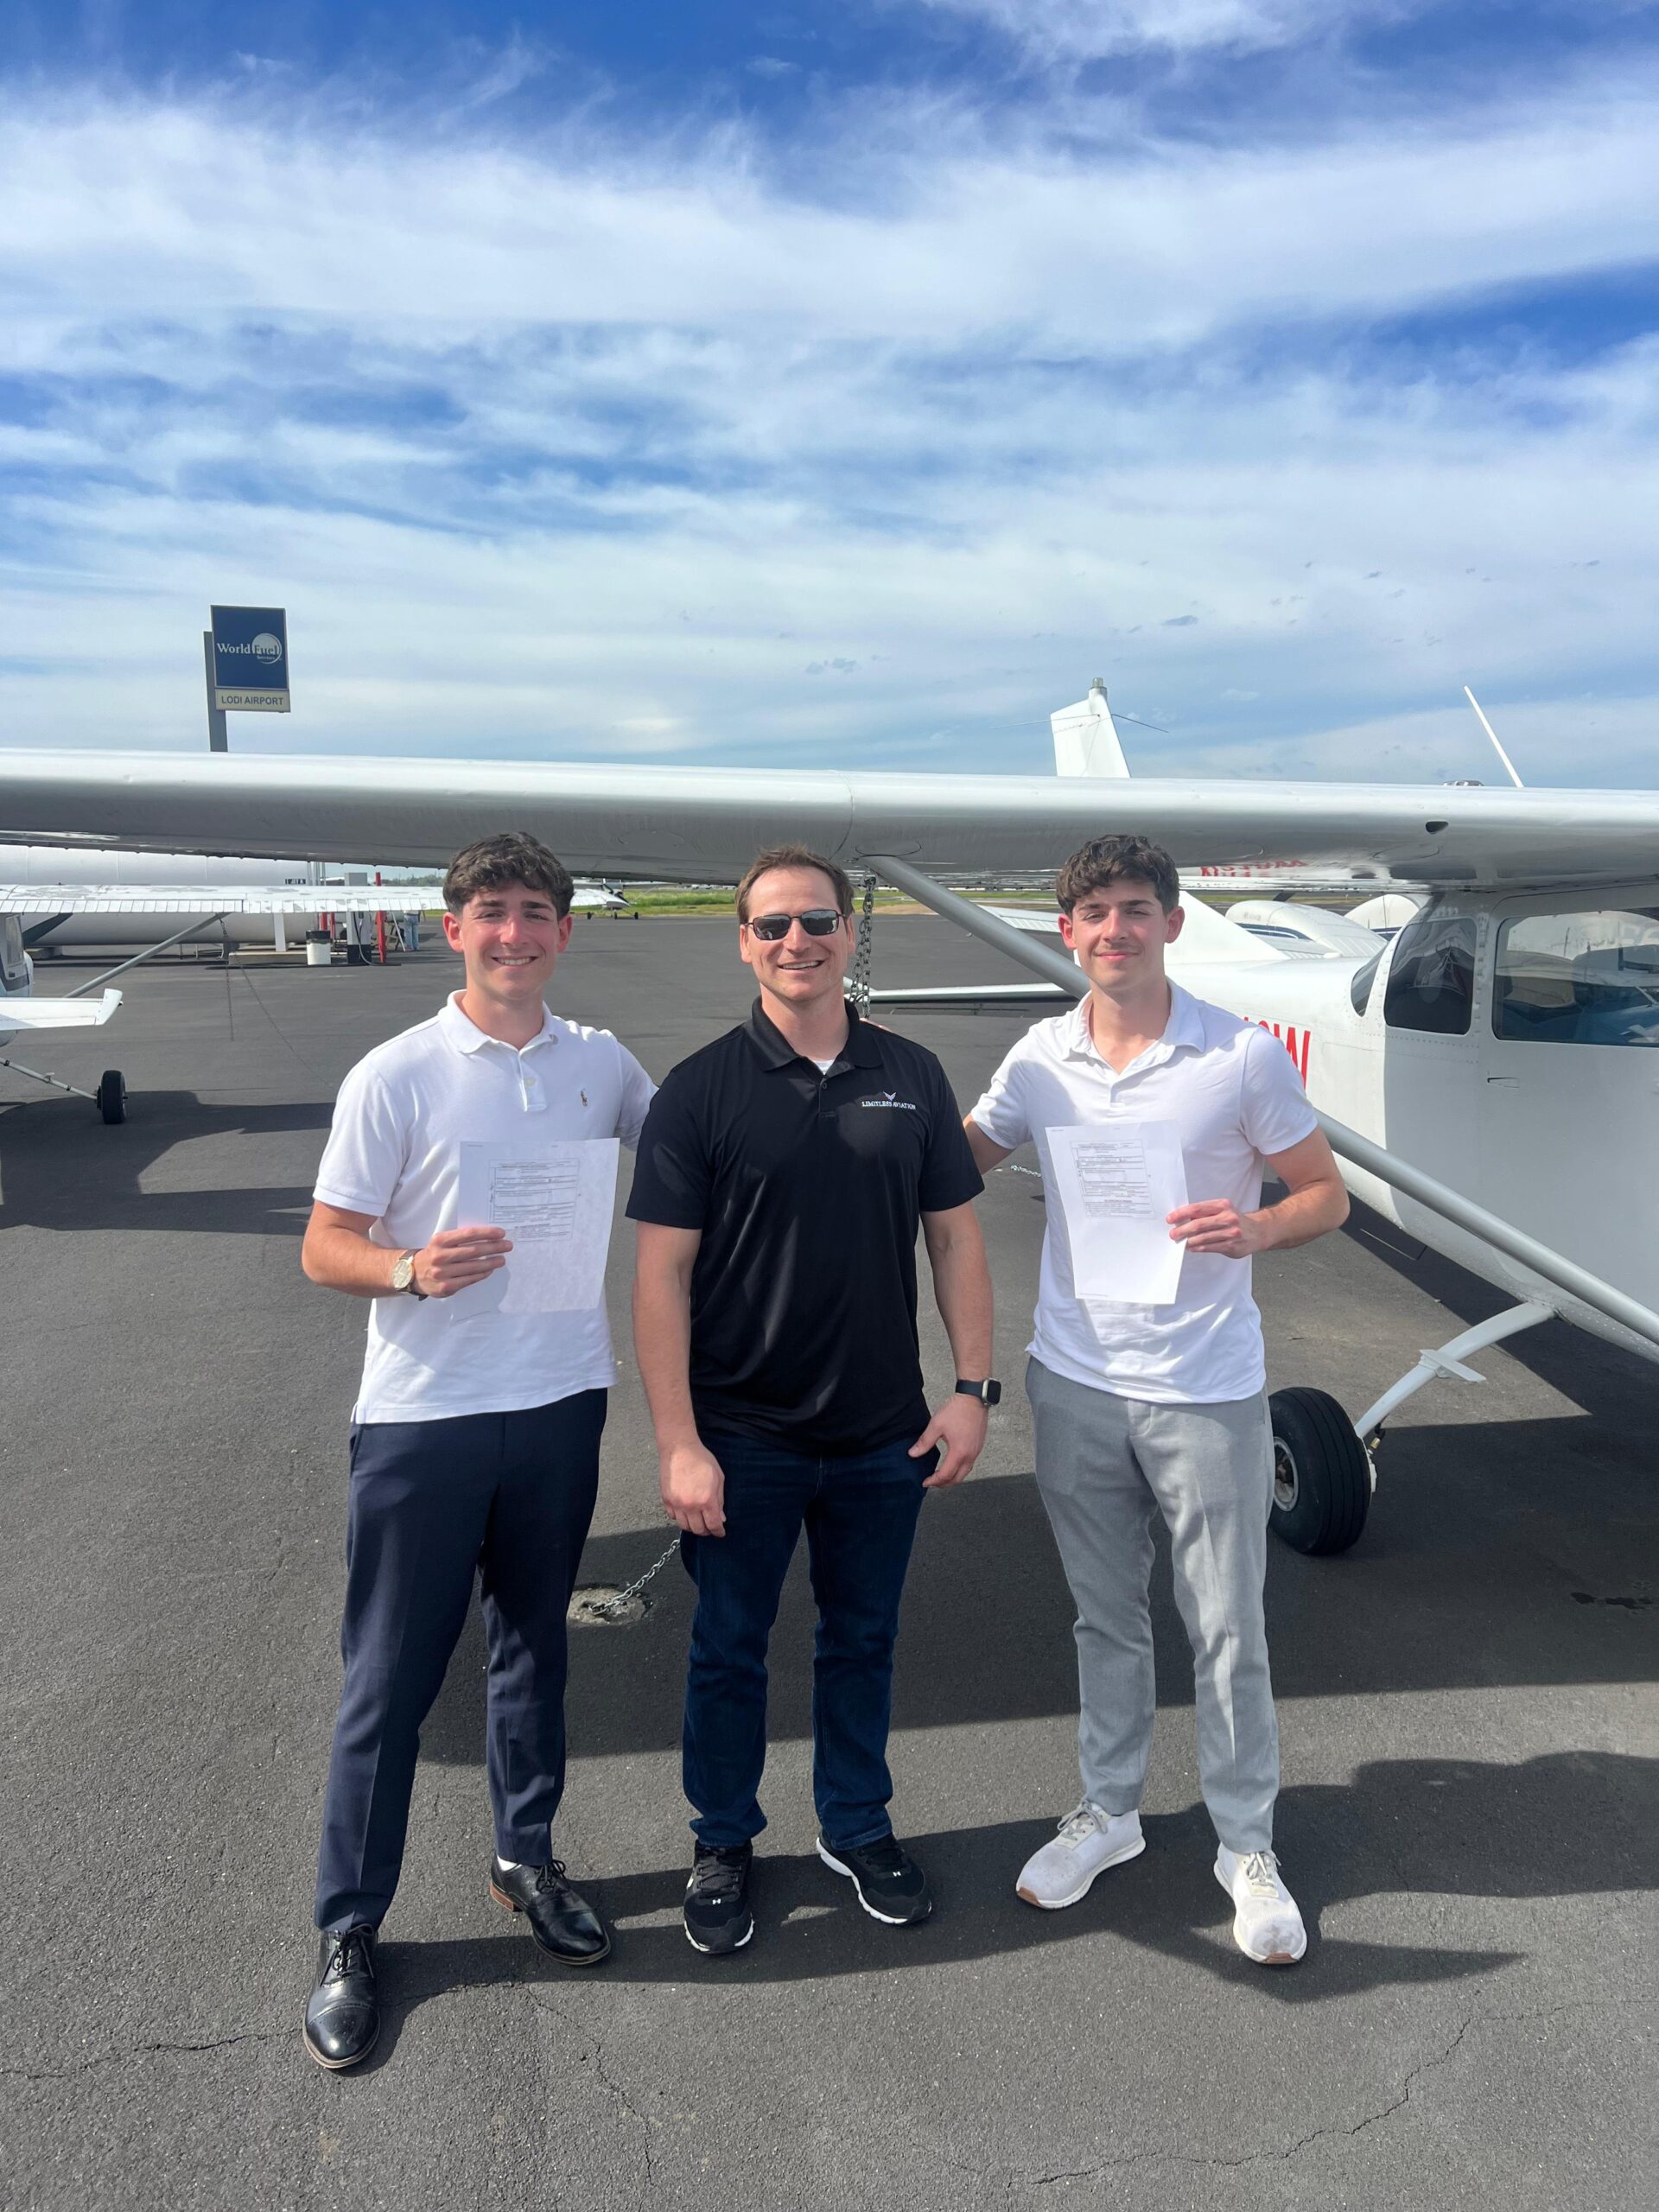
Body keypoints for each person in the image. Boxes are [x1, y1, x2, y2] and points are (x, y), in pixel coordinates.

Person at [298, 831, 653, 2069]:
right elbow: (323, 1243)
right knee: (389, 1681)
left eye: (535, 911)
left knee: (532, 1651)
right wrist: (406, 1266)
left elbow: (705, 1150)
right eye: (491, 911)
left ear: (565, 930)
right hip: (425, 1417)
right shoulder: (395, 1074)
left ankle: (526, 1856)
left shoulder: (603, 1064)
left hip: (560, 1403)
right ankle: (351, 1924)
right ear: (454, 929)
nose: (514, 932)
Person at [964, 834, 1348, 1966]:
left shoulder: (1238, 1057)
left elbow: (1325, 1193)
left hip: (1205, 1390)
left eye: (1136, 909)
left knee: (1227, 1628)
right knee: (1105, 1617)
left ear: (1172, 923)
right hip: (1076, 1381)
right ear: (1067, 931)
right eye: (1094, 913)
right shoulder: (1041, 1057)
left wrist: (1257, 1226)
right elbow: (955, 1159)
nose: (1115, 929)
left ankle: (1246, 1844)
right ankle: (1110, 1811)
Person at [629, 845, 996, 1955]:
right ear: (744, 942)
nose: (799, 941)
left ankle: (856, 1825)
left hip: (883, 1432)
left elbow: (955, 1239)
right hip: (744, 1437)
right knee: (727, 1650)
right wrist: (679, 1442)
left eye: (819, 921)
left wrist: (972, 1388)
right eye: (775, 924)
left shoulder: (911, 1073)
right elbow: (661, 1278)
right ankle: (722, 1838)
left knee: (863, 1640)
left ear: (848, 933)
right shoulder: (699, 1089)